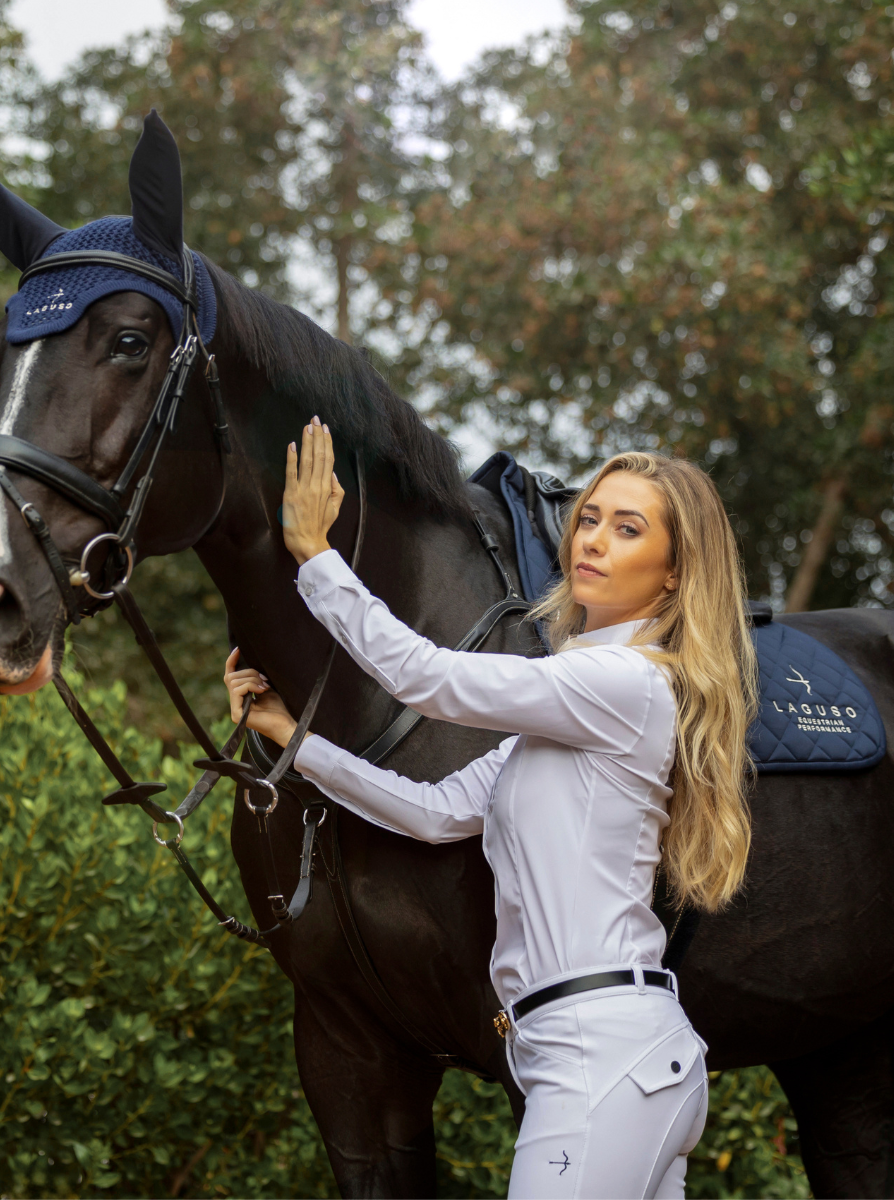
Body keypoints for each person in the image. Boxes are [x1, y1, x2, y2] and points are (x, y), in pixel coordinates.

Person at [225, 417, 757, 1199]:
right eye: (590, 519)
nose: (594, 540)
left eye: (628, 527)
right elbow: (433, 811)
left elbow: (430, 678)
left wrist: (316, 554)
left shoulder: (626, 684)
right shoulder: (571, 709)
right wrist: (290, 738)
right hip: (600, 1059)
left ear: (675, 573)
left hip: (600, 1064)